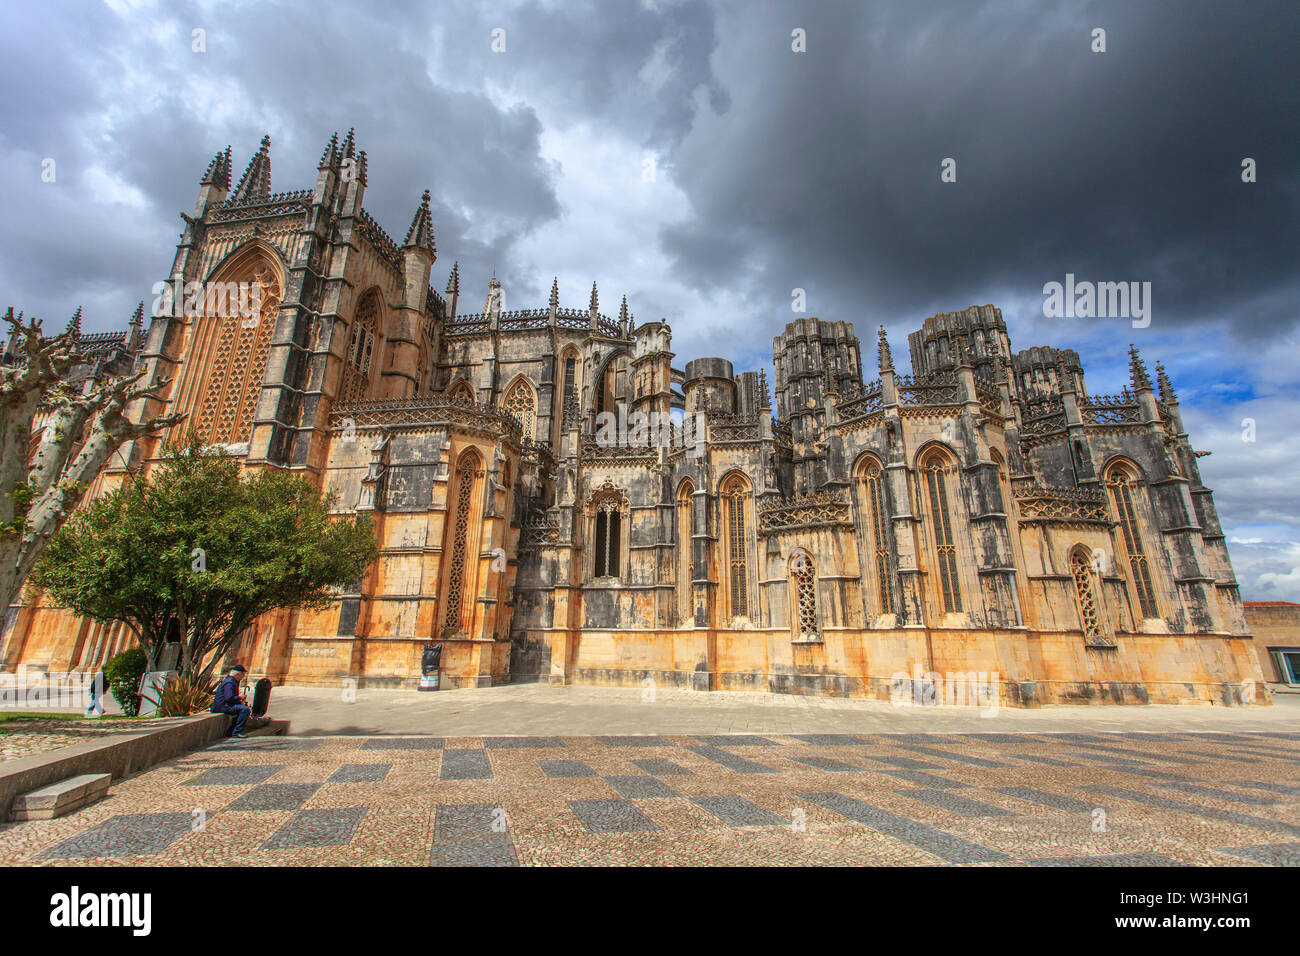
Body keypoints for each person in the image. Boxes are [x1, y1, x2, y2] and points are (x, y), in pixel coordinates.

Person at [211, 665, 252, 737]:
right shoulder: (229, 683)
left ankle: (231, 731)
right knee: (245, 710)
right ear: (238, 674)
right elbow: (229, 697)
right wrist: (240, 698)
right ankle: (237, 732)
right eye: (243, 674)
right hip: (222, 706)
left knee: (241, 708)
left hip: (226, 705)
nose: (243, 677)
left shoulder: (233, 681)